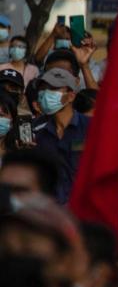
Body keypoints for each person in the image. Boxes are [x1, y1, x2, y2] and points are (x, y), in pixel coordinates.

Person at [30, 67, 89, 203]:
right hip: (49, 212)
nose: (45, 94)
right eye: (42, 89)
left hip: (84, 209)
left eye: (53, 88)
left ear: (71, 95)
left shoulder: (91, 127)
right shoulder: (35, 130)